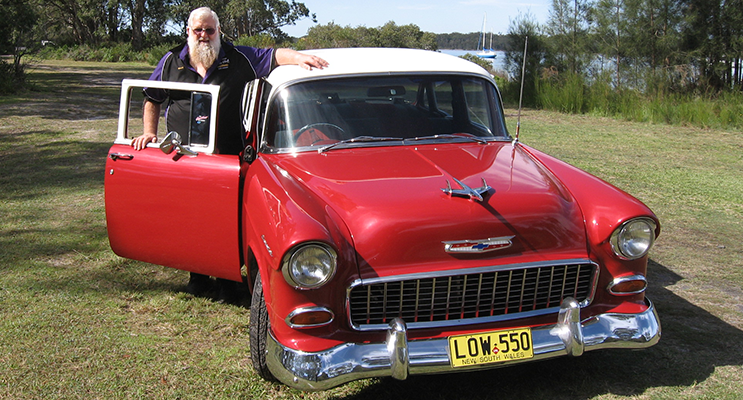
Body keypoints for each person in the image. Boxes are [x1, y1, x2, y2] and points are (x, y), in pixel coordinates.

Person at [130, 6, 328, 301]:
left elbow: (273, 56)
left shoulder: (239, 58)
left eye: (210, 30)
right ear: (188, 32)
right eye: (198, 30)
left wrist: (298, 57)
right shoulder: (172, 61)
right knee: (190, 215)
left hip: (228, 160)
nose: (204, 36)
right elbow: (152, 97)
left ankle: (227, 280)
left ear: (218, 31)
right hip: (184, 159)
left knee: (227, 219)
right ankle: (196, 275)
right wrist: (149, 132)